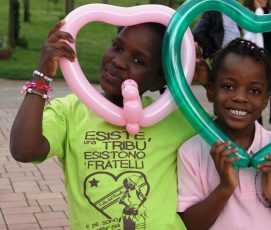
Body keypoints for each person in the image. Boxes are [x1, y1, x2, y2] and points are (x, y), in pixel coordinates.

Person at [10, 20, 197, 229]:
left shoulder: (170, 119)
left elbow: (226, 136)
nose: (119, 61)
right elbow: (24, 150)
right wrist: (41, 76)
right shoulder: (70, 111)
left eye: (138, 60)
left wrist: (203, 80)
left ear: (157, 80)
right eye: (117, 47)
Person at [177, 38, 271, 230]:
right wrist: (225, 187)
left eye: (254, 90)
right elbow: (189, 224)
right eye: (228, 86)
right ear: (211, 90)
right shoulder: (190, 151)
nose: (240, 97)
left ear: (266, 99)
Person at [243, 0, 271, 133]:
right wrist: (258, 9)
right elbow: (257, 25)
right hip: (258, 58)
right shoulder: (250, 14)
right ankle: (257, 122)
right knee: (257, 90)